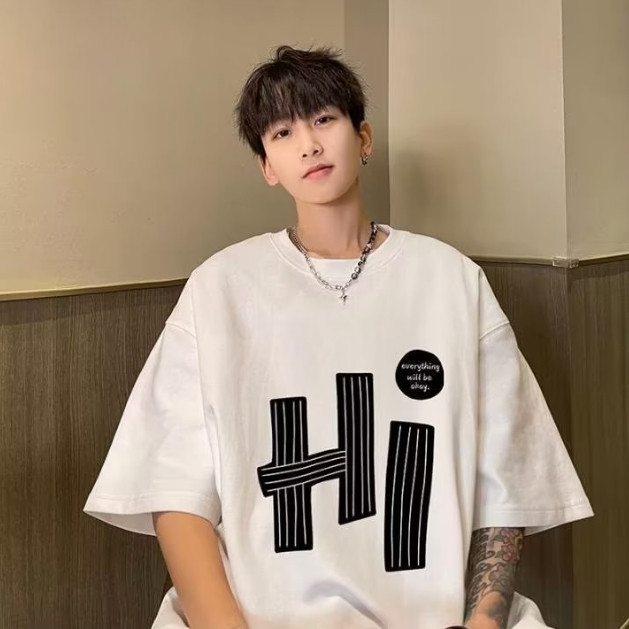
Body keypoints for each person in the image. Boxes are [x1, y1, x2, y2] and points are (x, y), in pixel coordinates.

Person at [84, 45, 593, 629]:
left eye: (324, 119)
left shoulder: (452, 280)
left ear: (364, 137)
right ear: (267, 166)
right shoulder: (219, 288)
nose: (309, 144)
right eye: (282, 133)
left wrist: (481, 622)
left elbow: (505, 483)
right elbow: (175, 494)